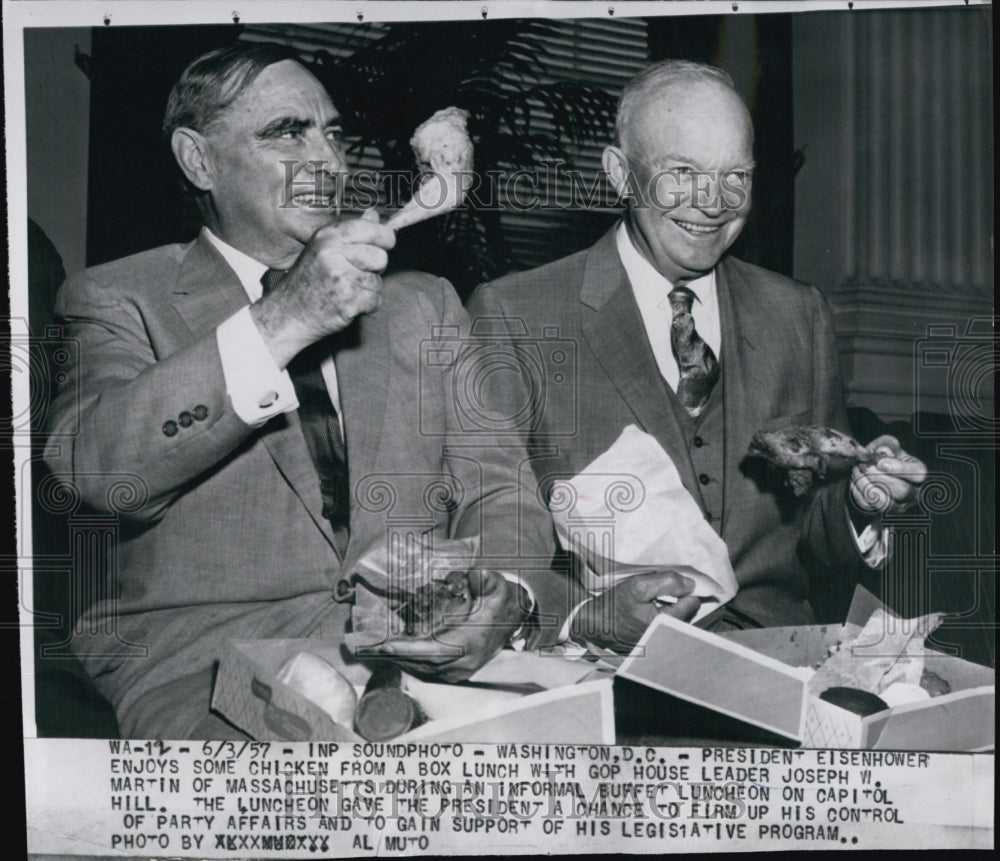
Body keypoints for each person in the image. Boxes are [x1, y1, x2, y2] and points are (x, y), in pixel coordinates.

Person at [43, 43, 568, 739]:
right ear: (198, 160)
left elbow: (499, 490)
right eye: (288, 132)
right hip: (207, 675)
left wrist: (506, 595)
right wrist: (284, 319)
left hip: (423, 665)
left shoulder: (424, 304)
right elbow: (99, 471)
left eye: (334, 132)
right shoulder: (118, 298)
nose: (329, 159)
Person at [467, 60, 927, 651]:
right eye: (682, 172)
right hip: (595, 671)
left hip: (781, 664)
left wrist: (861, 503)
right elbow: (495, 539)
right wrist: (583, 618)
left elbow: (816, 526)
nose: (712, 202)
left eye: (736, 176)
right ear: (619, 174)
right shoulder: (514, 315)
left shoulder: (798, 315)